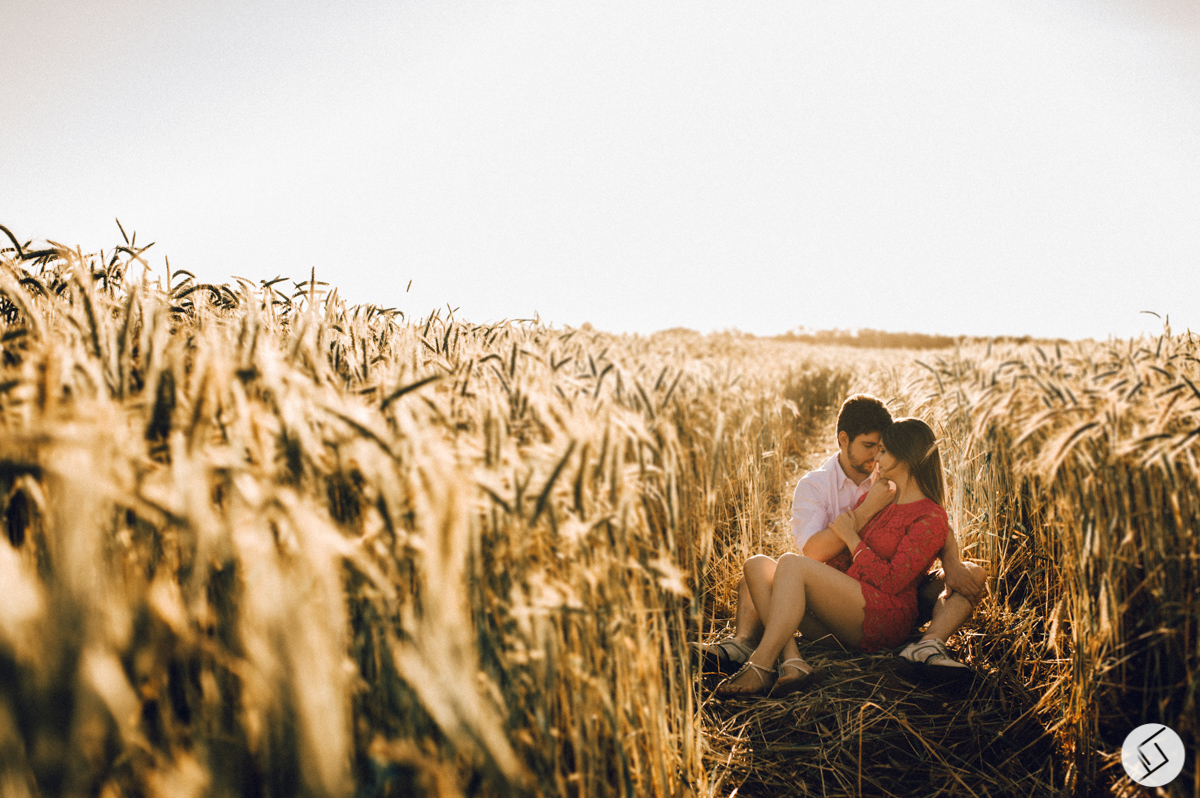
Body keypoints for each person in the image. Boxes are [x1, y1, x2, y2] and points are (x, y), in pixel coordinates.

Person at [694, 394, 986, 677]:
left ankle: (928, 645)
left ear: (901, 454)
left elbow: (932, 522)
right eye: (870, 446)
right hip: (840, 594)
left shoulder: (889, 479)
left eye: (882, 448)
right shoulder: (817, 486)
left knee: (972, 573)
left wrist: (952, 563)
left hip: (891, 596)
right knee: (757, 570)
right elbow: (813, 552)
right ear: (843, 439)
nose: (875, 456)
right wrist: (863, 515)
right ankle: (751, 647)